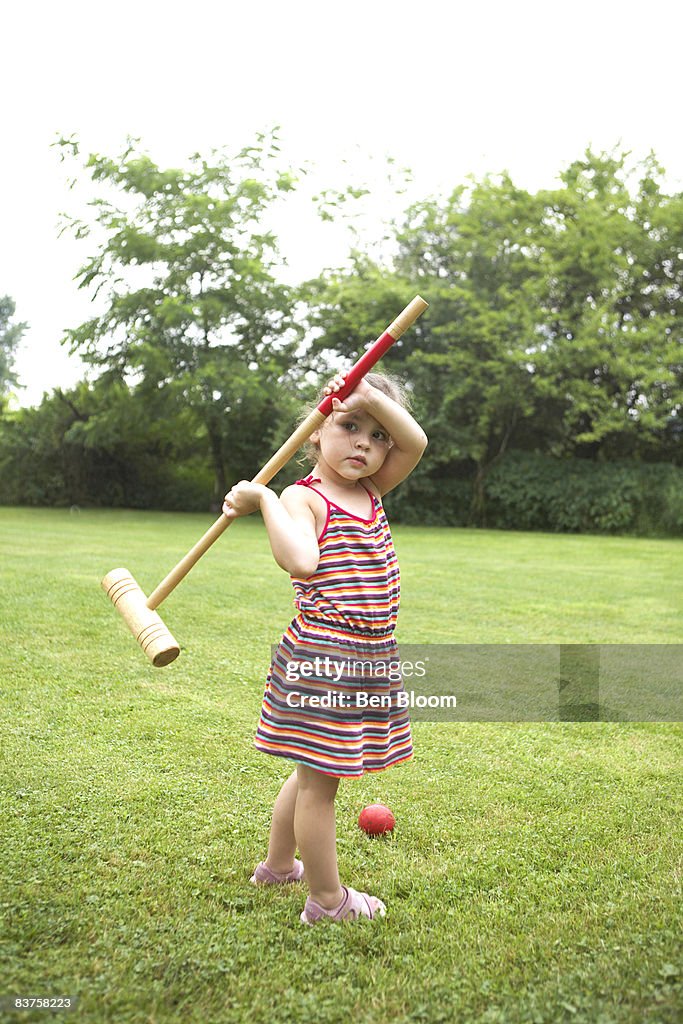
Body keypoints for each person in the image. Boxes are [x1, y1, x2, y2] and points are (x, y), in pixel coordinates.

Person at [222, 369, 428, 924]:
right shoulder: (301, 497)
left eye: (377, 433)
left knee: (312, 773)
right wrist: (265, 498)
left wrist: (363, 397)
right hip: (327, 656)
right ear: (316, 430)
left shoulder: (371, 489)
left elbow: (418, 441)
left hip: (367, 655)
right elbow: (302, 561)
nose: (365, 441)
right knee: (320, 786)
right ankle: (328, 901)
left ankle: (277, 866)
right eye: (349, 424)